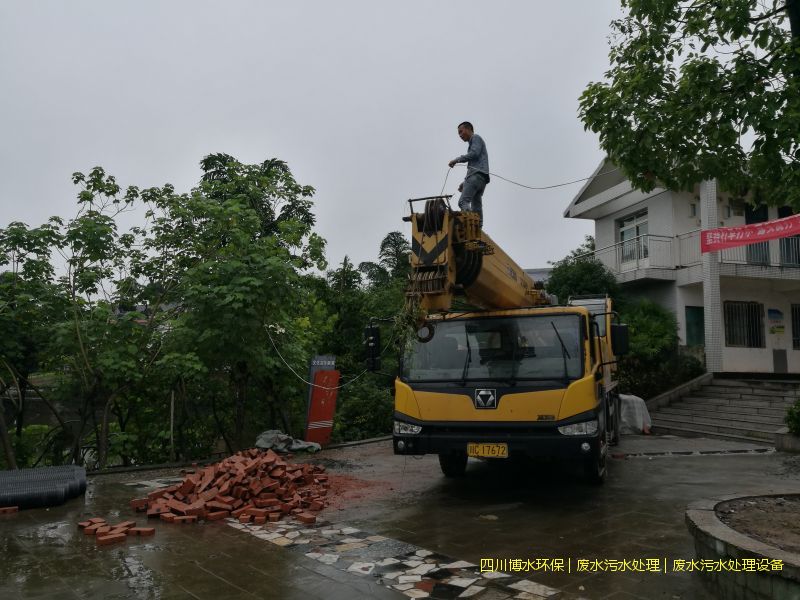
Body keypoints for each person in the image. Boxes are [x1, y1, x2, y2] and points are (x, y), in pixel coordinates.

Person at [448, 121, 489, 225]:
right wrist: (465, 182)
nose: (460, 135)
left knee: (463, 202)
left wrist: (456, 160)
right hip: (481, 179)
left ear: (468, 129)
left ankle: (471, 225)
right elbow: (474, 165)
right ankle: (478, 227)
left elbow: (474, 154)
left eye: (461, 132)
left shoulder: (476, 138)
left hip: (476, 176)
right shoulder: (476, 141)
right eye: (459, 134)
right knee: (476, 205)